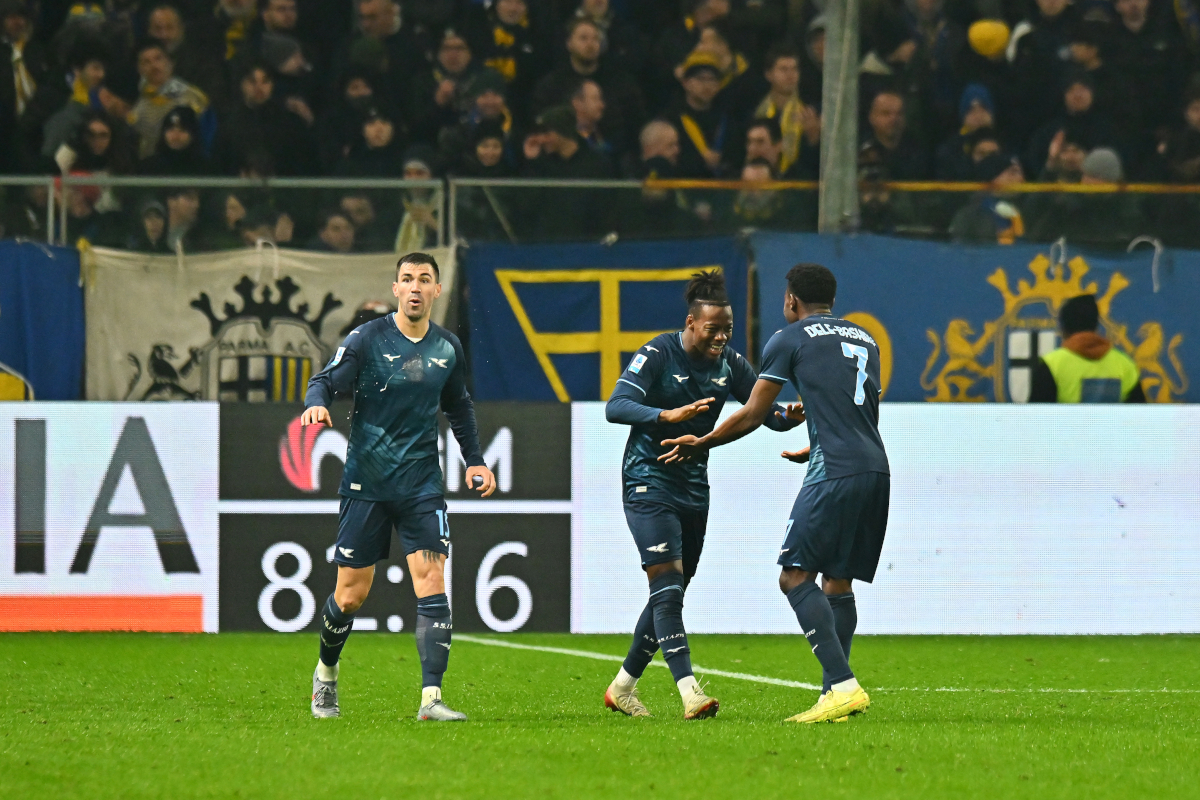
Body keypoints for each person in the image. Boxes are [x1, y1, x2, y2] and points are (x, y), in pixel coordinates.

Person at [661, 263, 889, 724]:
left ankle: (843, 686)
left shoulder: (789, 339)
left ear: (791, 301)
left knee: (794, 575)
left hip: (837, 472)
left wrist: (703, 441)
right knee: (837, 581)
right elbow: (864, 410)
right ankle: (834, 696)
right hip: (875, 467)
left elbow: (752, 413)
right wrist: (817, 443)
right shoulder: (866, 339)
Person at [303, 252, 497, 722]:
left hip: (421, 485)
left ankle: (431, 699)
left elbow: (459, 407)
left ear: (436, 291)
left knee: (431, 582)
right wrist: (315, 404)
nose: (414, 287)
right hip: (366, 483)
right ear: (396, 289)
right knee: (350, 595)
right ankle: (325, 675)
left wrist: (475, 460)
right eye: (407, 279)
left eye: (424, 279)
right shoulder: (367, 338)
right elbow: (325, 380)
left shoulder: (448, 347)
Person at [602, 270, 800, 720]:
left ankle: (622, 686)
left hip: (694, 490)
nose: (721, 338)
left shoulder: (729, 363)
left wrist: (792, 415)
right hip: (647, 482)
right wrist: (664, 416)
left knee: (671, 591)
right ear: (691, 323)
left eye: (727, 329)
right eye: (713, 329)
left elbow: (763, 412)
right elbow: (617, 406)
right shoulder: (657, 352)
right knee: (668, 589)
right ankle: (690, 692)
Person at [1031, 294, 1146, 403]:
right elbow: (1139, 418)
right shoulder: (1124, 364)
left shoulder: (1053, 364)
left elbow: (1035, 418)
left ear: (1064, 329)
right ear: (1095, 325)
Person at [127, 39, 212, 160]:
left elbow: (207, 136)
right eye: (146, 62)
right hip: (150, 169)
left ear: (170, 63)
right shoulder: (136, 104)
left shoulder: (193, 98)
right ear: (140, 69)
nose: (154, 66)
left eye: (158, 59)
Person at [754, 44, 819, 179]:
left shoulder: (809, 113)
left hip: (797, 186)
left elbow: (813, 167)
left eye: (794, 69)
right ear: (769, 74)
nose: (790, 75)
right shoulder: (756, 114)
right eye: (783, 69)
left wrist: (813, 139)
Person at [861, 89, 928, 180]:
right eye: (886, 113)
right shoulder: (861, 152)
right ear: (872, 117)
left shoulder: (919, 152)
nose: (894, 119)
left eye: (899, 114)